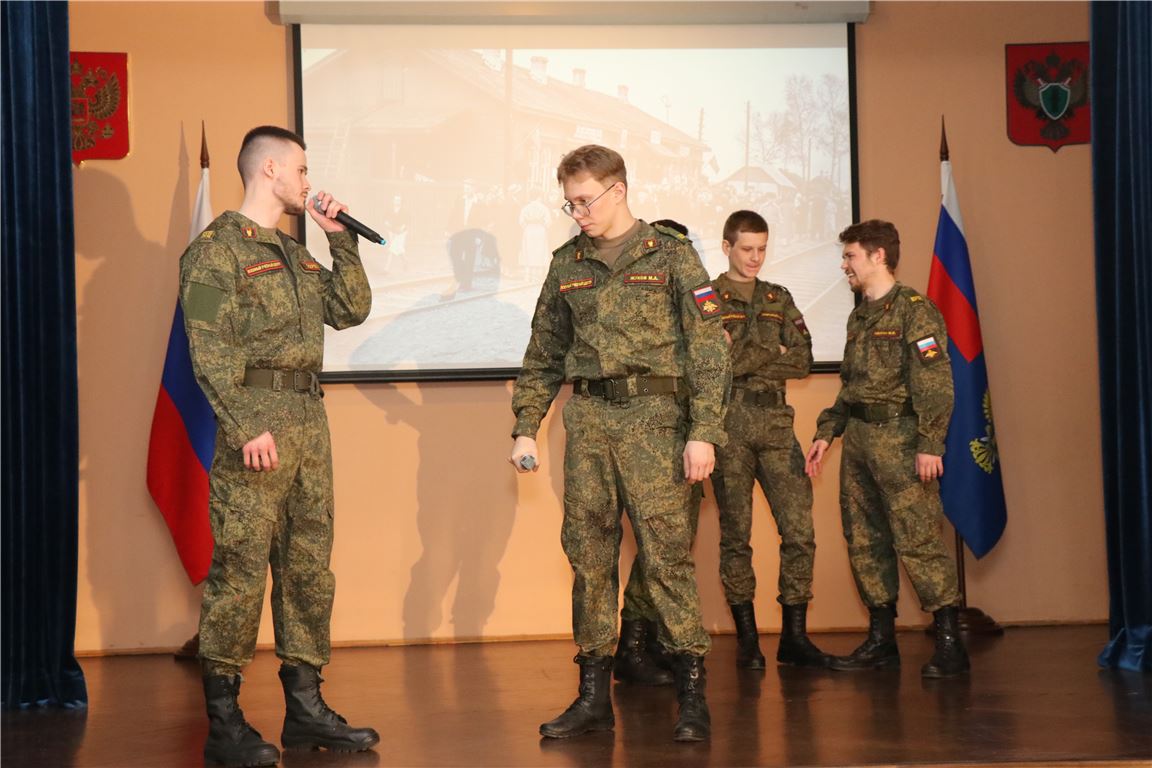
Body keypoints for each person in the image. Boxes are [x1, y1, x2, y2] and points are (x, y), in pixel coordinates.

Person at [509, 145, 730, 742]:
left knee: (666, 558)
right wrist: (526, 424)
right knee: (588, 558)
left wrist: (703, 432)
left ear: (618, 190)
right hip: (589, 424)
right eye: (569, 203)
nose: (577, 213)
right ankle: (592, 698)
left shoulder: (672, 255)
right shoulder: (567, 263)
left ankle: (691, 695)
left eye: (585, 201)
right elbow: (544, 352)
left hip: (658, 424)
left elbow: (709, 351)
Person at [180, 125, 379, 768]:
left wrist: (339, 237)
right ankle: (225, 723)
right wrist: (245, 425)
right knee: (241, 570)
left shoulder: (295, 253)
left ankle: (306, 708)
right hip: (256, 426)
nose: (307, 181)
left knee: (308, 566)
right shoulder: (213, 252)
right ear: (269, 169)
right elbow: (207, 347)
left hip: (307, 423)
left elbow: (350, 309)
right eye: (301, 169)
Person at [803, 219, 970, 679]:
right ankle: (881, 641)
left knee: (918, 538)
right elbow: (850, 386)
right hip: (858, 443)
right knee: (865, 540)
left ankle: (950, 643)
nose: (844, 265)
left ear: (878, 256)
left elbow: (935, 382)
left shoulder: (916, 310)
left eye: (850, 256)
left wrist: (931, 443)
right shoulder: (859, 316)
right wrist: (827, 432)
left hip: (900, 443)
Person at [708, 210, 830, 670]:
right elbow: (714, 365)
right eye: (746, 249)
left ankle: (794, 637)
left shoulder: (779, 297)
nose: (755, 257)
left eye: (762, 248)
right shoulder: (707, 299)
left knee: (799, 532)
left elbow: (803, 359)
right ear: (727, 247)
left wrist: (743, 354)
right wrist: (771, 350)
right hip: (729, 428)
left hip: (777, 424)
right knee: (736, 537)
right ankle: (748, 641)